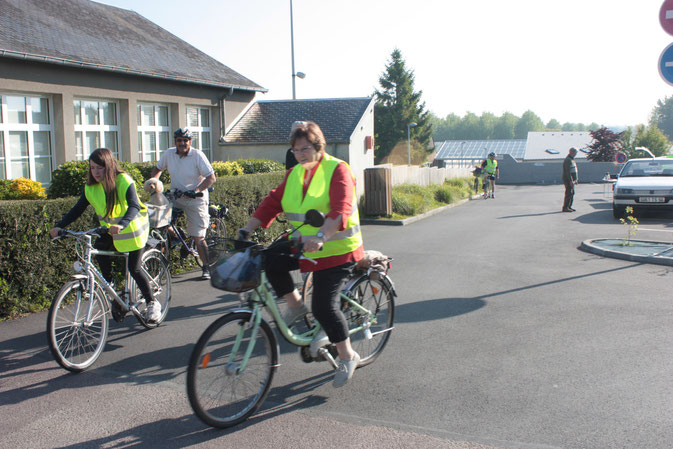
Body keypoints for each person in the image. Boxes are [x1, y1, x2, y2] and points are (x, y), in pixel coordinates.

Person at [238, 121, 364, 388]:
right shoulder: (295, 173)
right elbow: (274, 201)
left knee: (324, 307)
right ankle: (295, 306)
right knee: (270, 258)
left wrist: (321, 237)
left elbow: (341, 208)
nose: (301, 154)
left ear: (318, 147)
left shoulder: (337, 169)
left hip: (337, 249)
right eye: (296, 150)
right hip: (305, 243)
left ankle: (347, 355)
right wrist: (247, 228)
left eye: (306, 148)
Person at [49, 148, 160, 322]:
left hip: (133, 228)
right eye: (92, 168)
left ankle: (152, 303)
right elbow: (77, 209)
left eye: (99, 168)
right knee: (99, 248)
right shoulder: (91, 187)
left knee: (134, 267)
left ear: (108, 166)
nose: (96, 172)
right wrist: (59, 226)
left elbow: (134, 205)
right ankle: (112, 289)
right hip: (111, 230)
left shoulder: (123, 180)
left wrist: (121, 224)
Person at [150, 128, 216, 280]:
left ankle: (206, 266)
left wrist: (196, 190)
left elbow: (211, 178)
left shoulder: (197, 155)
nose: (182, 143)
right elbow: (157, 169)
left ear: (190, 142)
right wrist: (153, 183)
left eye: (185, 140)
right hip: (176, 197)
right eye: (179, 140)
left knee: (198, 236)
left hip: (196, 199)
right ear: (175, 141)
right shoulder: (169, 154)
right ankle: (178, 236)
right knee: (159, 221)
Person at [562, 147, 579, 212]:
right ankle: (565, 207)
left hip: (572, 180)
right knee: (569, 193)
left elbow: (574, 170)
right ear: (572, 152)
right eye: (575, 152)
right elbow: (567, 171)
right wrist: (570, 181)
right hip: (568, 179)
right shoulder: (568, 160)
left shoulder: (572, 159)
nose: (576, 154)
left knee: (572, 193)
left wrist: (576, 179)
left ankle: (569, 206)